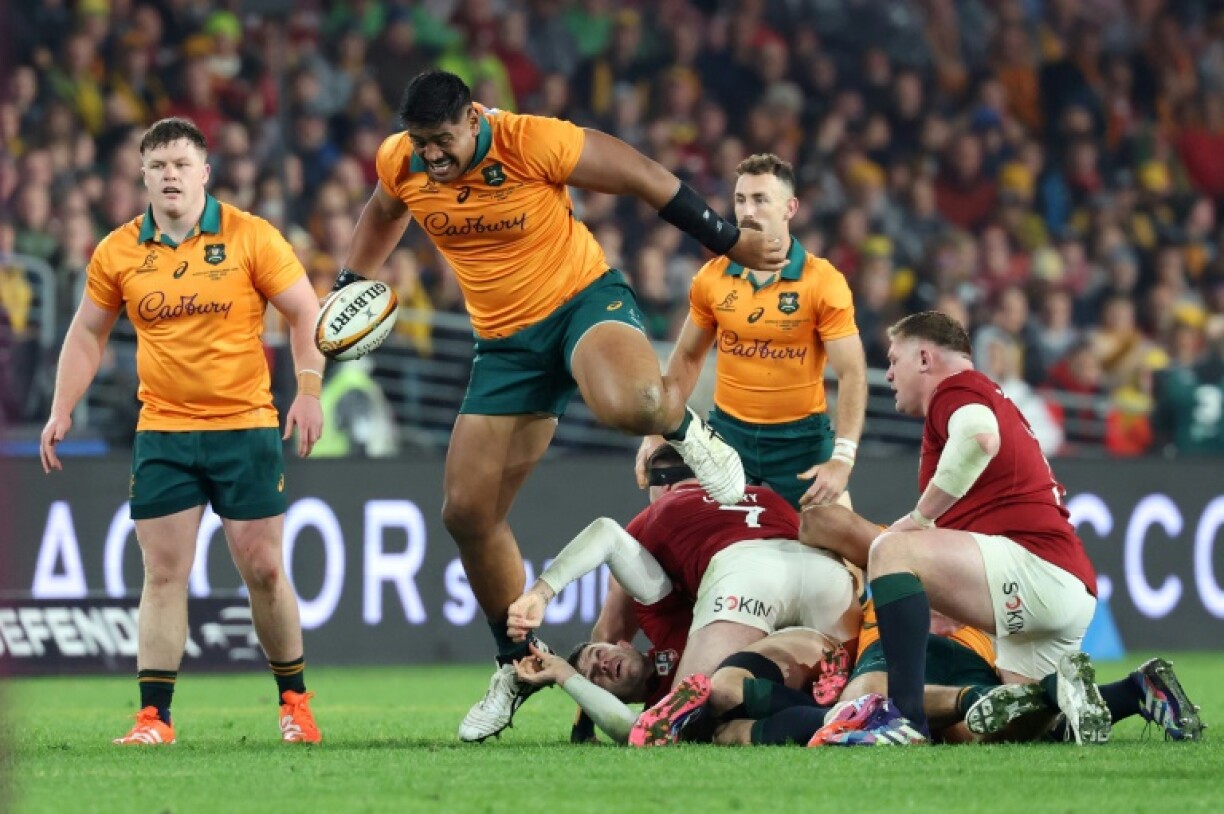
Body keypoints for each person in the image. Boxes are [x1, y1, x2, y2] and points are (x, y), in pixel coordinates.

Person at [329, 69, 789, 741]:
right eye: (420, 141)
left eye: (442, 140)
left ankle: (690, 433)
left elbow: (641, 176)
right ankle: (517, 664)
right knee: (466, 512)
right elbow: (381, 212)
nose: (430, 154)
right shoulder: (401, 161)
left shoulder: (528, 141)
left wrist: (730, 241)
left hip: (581, 305)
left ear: (475, 117)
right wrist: (350, 282)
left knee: (632, 403)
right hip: (505, 348)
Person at [39, 117, 325, 746]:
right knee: (164, 574)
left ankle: (295, 704)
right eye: (157, 165)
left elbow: (305, 311)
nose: (169, 175)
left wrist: (307, 390)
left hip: (245, 426)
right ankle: (154, 719)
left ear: (205, 173)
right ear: (141, 175)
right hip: (163, 431)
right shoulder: (117, 250)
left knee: (265, 569)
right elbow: (87, 332)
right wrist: (62, 408)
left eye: (180, 164)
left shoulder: (251, 235)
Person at [829, 310, 1104, 746]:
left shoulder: (956, 388)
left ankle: (903, 720)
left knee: (890, 549)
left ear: (924, 358)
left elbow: (979, 438)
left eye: (894, 360)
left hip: (1033, 568)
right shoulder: (988, 394)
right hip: (1066, 586)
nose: (890, 376)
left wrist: (918, 522)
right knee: (1018, 727)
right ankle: (1134, 693)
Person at [504, 444, 860, 744]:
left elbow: (609, 612)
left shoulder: (659, 513)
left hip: (743, 576)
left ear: (661, 488)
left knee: (685, 722)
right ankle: (846, 704)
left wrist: (540, 594)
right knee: (835, 687)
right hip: (824, 575)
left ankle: (807, 713)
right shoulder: (765, 496)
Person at [635, 154, 868, 511]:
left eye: (761, 200)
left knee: (844, 549)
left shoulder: (822, 281)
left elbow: (852, 372)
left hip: (801, 443)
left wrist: (843, 459)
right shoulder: (712, 277)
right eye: (741, 200)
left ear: (790, 208)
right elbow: (687, 357)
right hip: (729, 437)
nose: (747, 211)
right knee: (665, 519)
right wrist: (656, 432)